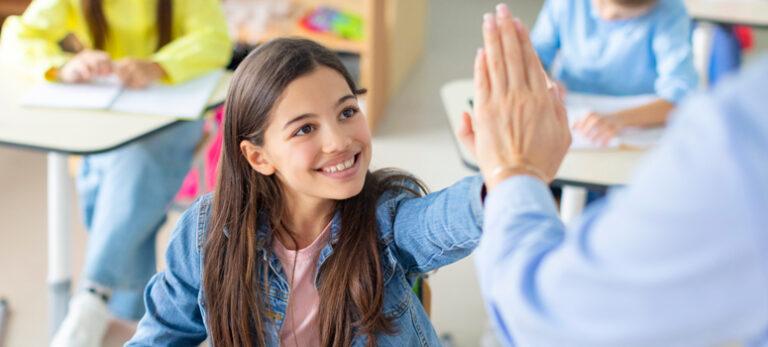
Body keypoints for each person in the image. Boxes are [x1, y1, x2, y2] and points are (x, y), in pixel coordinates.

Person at [127, 38, 486, 346]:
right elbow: (162, 333)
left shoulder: (387, 218)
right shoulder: (204, 232)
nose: (339, 141)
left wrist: (505, 176)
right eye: (304, 129)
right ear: (258, 156)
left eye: (347, 111)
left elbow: (445, 220)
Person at [462, 4, 768, 346]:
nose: (606, 18)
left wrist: (512, 172)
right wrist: (546, 84)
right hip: (571, 132)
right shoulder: (567, 7)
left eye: (621, 16)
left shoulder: (671, 18)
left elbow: (552, 317)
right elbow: (539, 55)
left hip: (623, 143)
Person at [0, 0, 232, 345]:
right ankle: (125, 319)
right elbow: (18, 35)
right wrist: (63, 65)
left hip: (172, 117)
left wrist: (158, 66)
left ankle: (93, 294)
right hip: (106, 120)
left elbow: (215, 40)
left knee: (129, 168)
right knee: (127, 185)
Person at [531, 0, 698, 146]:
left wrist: (619, 120)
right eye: (601, 4)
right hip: (569, 114)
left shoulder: (669, 10)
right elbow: (534, 55)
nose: (608, 16)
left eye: (621, 16)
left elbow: (681, 96)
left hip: (635, 125)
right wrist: (543, 80)